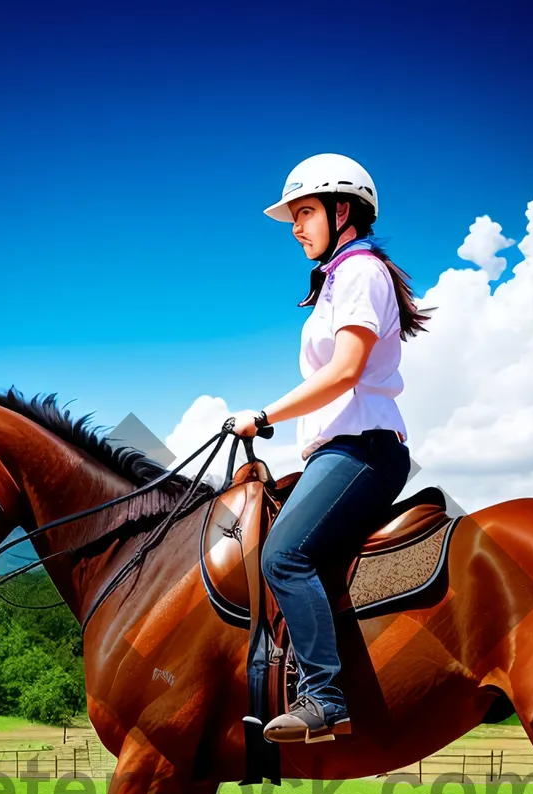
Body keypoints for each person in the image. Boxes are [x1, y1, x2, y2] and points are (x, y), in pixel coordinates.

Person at [228, 153, 430, 744]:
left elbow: (345, 372)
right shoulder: (338, 280)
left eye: (306, 212)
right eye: (293, 216)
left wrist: (263, 415)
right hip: (337, 449)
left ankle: (324, 698)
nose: (296, 226)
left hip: (362, 446)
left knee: (284, 557)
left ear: (344, 211)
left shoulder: (361, 272)